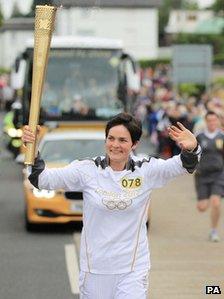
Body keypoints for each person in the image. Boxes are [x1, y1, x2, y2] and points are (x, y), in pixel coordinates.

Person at [22, 113, 200, 299]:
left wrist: (192, 148)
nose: (115, 145)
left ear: (134, 144)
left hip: (132, 268)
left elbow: (183, 165)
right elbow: (42, 180)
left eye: (123, 140)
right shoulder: (87, 170)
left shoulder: (146, 170)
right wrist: (32, 150)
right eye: (111, 138)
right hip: (95, 268)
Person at [195, 111, 224, 242]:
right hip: (202, 175)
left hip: (219, 174)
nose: (212, 123)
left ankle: (213, 231)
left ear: (218, 121)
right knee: (202, 207)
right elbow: (191, 153)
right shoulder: (199, 137)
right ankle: (203, 201)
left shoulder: (222, 136)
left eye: (214, 120)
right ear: (206, 122)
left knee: (216, 203)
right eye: (210, 120)